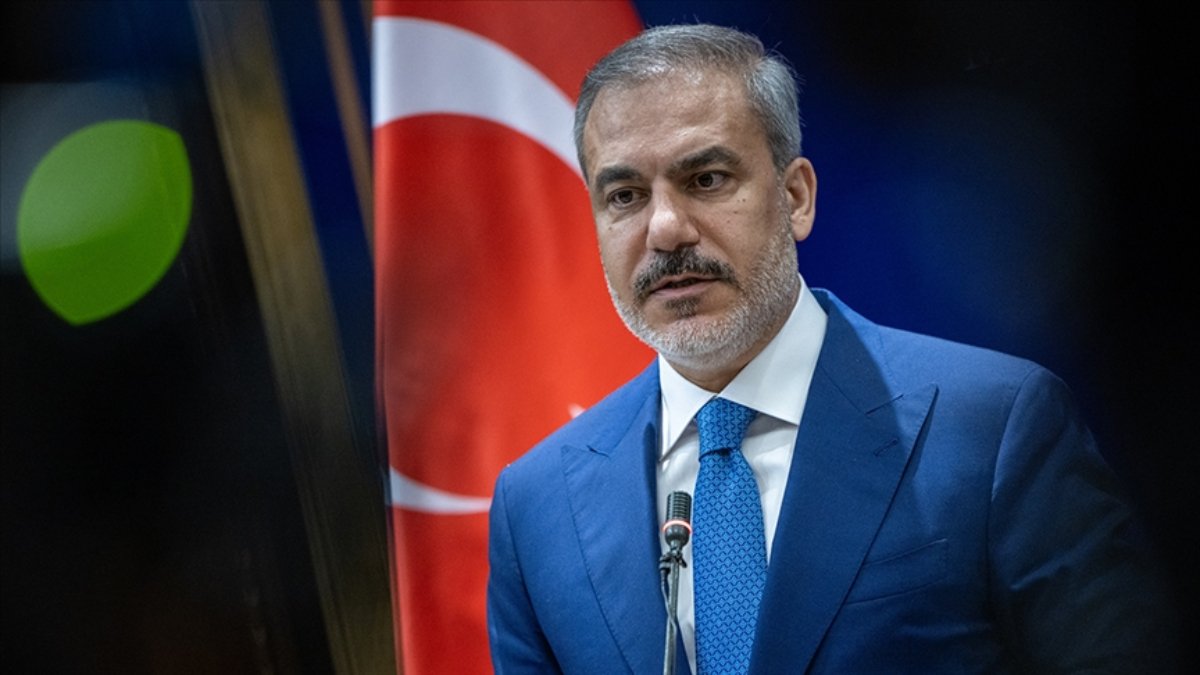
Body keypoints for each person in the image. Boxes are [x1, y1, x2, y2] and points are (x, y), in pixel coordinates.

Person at [486, 23, 1177, 674]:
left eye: (706, 180)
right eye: (626, 195)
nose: (665, 229)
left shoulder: (996, 429)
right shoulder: (537, 506)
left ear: (796, 197)